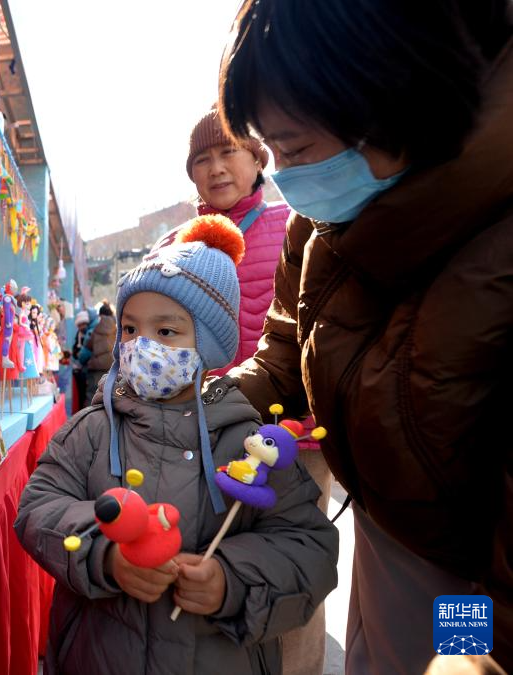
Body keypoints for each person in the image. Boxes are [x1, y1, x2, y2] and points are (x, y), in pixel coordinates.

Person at [218, 0, 513, 671]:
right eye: (269, 149)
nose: (284, 175)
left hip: (471, 584)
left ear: (389, 99)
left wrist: (470, 661)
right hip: (384, 545)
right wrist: (189, 412)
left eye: (294, 148)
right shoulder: (324, 225)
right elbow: (282, 359)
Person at [15, 215, 337, 674]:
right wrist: (105, 554)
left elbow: (309, 547)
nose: (141, 346)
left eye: (166, 332)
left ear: (207, 346)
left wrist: (231, 580)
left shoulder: (249, 443)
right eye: (130, 329)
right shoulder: (92, 430)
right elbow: (39, 508)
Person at [187, 108, 332, 675]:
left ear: (257, 159)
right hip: (212, 431)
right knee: (221, 568)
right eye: (202, 159)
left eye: (229, 152)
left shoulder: (297, 223)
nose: (217, 168)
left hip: (294, 434)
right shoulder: (180, 245)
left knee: (293, 572)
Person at [80, 301, 116, 402]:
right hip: (112, 369)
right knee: (111, 398)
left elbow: (85, 353)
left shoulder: (95, 330)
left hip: (96, 370)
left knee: (92, 396)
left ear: (100, 315)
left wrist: (81, 360)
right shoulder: (117, 330)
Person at [69, 310, 91, 413]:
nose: (82, 327)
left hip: (87, 369)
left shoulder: (89, 334)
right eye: (80, 325)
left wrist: (80, 354)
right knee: (80, 395)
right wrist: (76, 353)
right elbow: (75, 350)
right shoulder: (79, 334)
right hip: (79, 369)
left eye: (83, 324)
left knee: (86, 395)